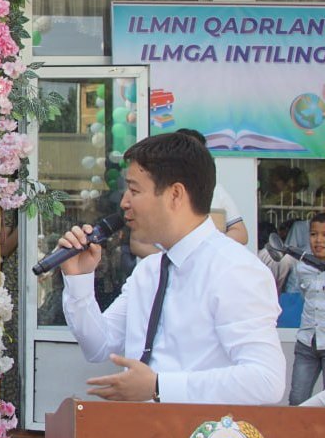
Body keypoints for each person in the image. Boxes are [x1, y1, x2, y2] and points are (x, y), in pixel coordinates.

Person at [56, 131, 285, 404]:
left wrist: (160, 386)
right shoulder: (149, 270)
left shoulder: (234, 269)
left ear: (175, 194)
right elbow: (99, 346)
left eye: (135, 190)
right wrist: (79, 280)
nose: (124, 203)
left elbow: (266, 380)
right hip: (143, 434)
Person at [174, 128, 248, 245]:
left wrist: (209, 247)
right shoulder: (159, 190)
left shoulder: (216, 190)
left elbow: (241, 234)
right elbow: (139, 243)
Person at [288, 213, 325, 405]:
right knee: (297, 399)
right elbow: (303, 296)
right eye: (313, 234)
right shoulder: (302, 266)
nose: (318, 240)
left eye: (324, 235)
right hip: (307, 342)